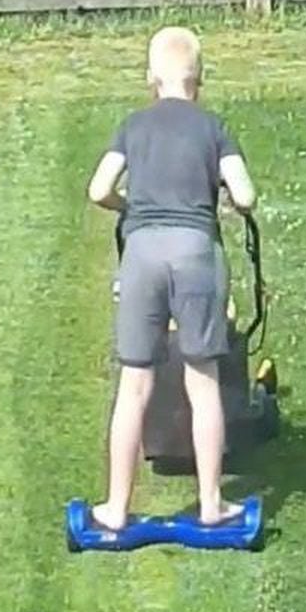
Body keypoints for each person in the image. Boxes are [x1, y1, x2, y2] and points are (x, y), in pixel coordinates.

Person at [85, 27, 258, 530]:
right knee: (202, 379)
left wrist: (130, 205)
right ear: (199, 81)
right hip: (196, 250)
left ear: (150, 80)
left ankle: (115, 509)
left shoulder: (133, 126)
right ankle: (210, 503)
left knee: (134, 383)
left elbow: (98, 190)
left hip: (142, 251)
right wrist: (223, 195)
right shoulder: (213, 127)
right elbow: (245, 196)